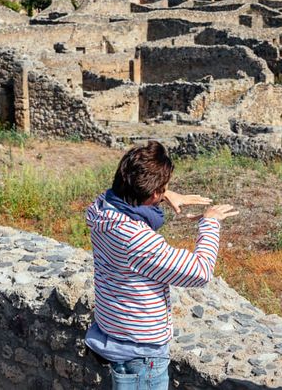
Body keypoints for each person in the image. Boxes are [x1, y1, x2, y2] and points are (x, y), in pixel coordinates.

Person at [84, 141, 238, 390]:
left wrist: (164, 194)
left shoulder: (102, 208)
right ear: (152, 194)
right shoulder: (136, 239)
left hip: (116, 335)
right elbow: (200, 272)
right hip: (141, 355)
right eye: (161, 190)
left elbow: (127, 197)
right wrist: (210, 223)